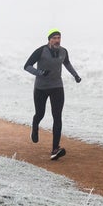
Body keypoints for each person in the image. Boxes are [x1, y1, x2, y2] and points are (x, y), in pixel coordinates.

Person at [23, 29, 81, 160]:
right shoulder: (41, 50)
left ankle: (55, 149)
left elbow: (67, 63)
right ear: (49, 39)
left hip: (57, 87)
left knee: (57, 116)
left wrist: (75, 75)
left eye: (59, 37)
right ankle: (35, 125)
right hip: (41, 88)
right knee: (40, 113)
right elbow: (27, 66)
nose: (57, 40)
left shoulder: (63, 51)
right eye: (54, 38)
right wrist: (40, 73)